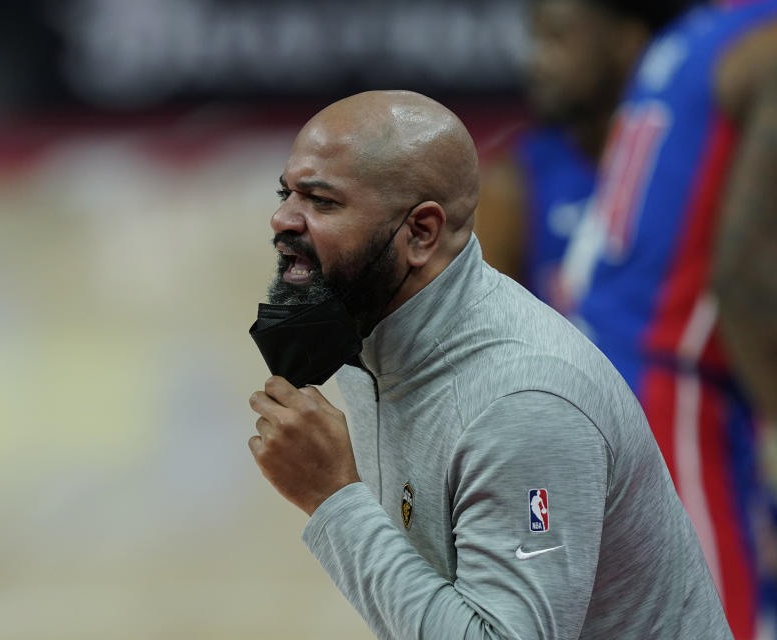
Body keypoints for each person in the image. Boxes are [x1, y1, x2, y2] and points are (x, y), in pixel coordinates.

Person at [246, 90, 731, 639]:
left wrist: (334, 497)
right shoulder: (368, 325)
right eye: (287, 192)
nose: (282, 218)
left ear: (420, 233)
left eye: (321, 201)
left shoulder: (524, 406)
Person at [556, 2, 777, 636]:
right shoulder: (765, 52)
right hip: (663, 387)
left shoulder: (697, 33)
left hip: (603, 360)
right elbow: (746, 277)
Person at [476, 0, 658, 306]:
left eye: (557, 37)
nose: (536, 61)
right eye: (535, 38)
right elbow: (482, 328)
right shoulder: (513, 182)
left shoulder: (683, 166)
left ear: (627, 41)